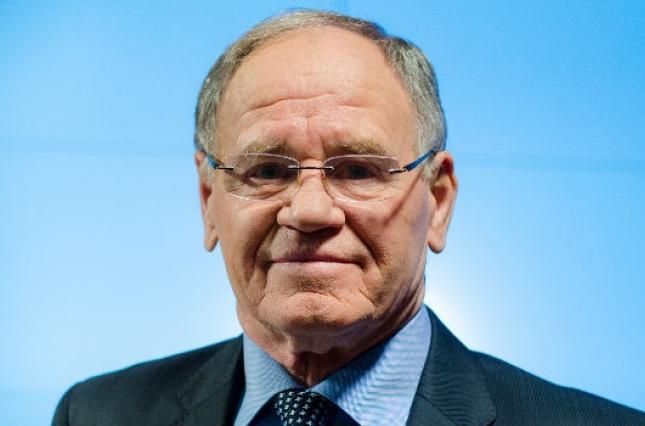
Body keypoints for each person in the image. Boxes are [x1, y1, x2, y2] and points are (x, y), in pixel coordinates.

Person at [53, 9, 644, 426]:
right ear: (209, 200)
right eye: (267, 170)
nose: (310, 210)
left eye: (359, 170)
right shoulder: (96, 415)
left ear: (437, 201)